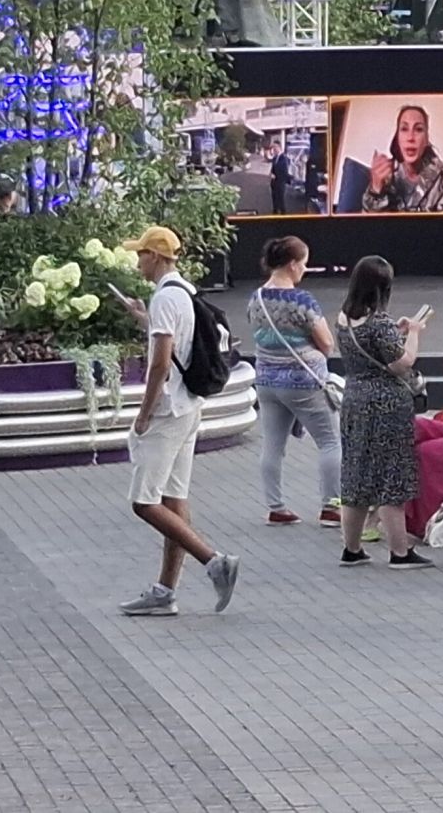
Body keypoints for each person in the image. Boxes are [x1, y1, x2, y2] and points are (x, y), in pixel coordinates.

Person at [115, 226, 241, 615]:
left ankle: (214, 561)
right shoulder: (183, 292)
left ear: (155, 256)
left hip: (168, 410)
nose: (138, 261)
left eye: (141, 254)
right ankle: (165, 591)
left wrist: (143, 413)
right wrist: (144, 318)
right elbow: (177, 344)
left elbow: (159, 363)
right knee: (173, 497)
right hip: (188, 406)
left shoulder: (165, 298)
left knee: (144, 501)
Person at [334, 254, 432, 568]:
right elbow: (402, 363)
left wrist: (396, 333)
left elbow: (374, 352)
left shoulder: (343, 318)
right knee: (391, 476)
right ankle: (400, 552)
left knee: (357, 473)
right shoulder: (379, 323)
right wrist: (413, 332)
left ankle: (351, 549)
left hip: (354, 399)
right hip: (387, 405)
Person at [247, 235, 340, 527]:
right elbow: (327, 343)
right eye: (303, 263)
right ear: (291, 264)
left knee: (272, 445)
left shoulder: (256, 297)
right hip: (303, 382)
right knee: (330, 441)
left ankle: (276, 507)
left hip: (266, 379)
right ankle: (331, 507)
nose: (304, 269)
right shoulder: (301, 301)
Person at [363, 104, 443, 212]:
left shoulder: (441, 174)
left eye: (418, 129)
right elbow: (369, 218)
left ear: (426, 139)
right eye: (404, 129)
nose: (410, 137)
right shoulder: (386, 175)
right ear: (397, 138)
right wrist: (376, 190)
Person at [269, 140, 292, 214]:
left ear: (279, 147)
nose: (274, 149)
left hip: (280, 183)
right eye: (273, 147)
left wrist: (276, 176)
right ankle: (275, 213)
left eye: (275, 147)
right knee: (274, 199)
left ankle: (283, 214)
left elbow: (284, 171)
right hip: (274, 183)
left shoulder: (284, 158)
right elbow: (273, 168)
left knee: (281, 200)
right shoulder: (275, 158)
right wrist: (271, 173)